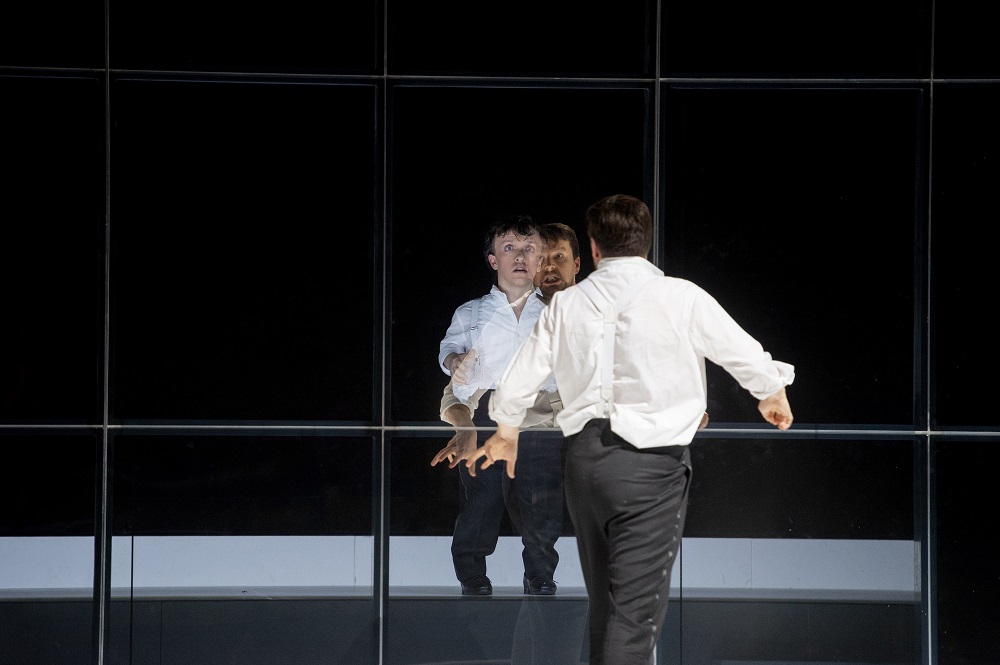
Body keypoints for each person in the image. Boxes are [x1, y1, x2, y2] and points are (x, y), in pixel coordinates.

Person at [468, 194, 794, 664]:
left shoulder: (568, 305)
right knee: (635, 616)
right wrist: (771, 391)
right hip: (651, 468)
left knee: (607, 608)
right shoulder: (682, 296)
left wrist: (506, 430)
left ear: (594, 249)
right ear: (646, 243)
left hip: (584, 465)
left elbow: (523, 372)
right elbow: (739, 351)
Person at [431, 217, 580, 596]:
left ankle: (540, 574)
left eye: (529, 249)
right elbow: (449, 349)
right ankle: (471, 575)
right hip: (486, 412)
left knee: (541, 499)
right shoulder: (471, 313)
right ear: (493, 259)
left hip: (538, 416)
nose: (520, 256)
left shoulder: (555, 314)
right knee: (481, 500)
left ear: (539, 258)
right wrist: (454, 362)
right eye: (510, 248)